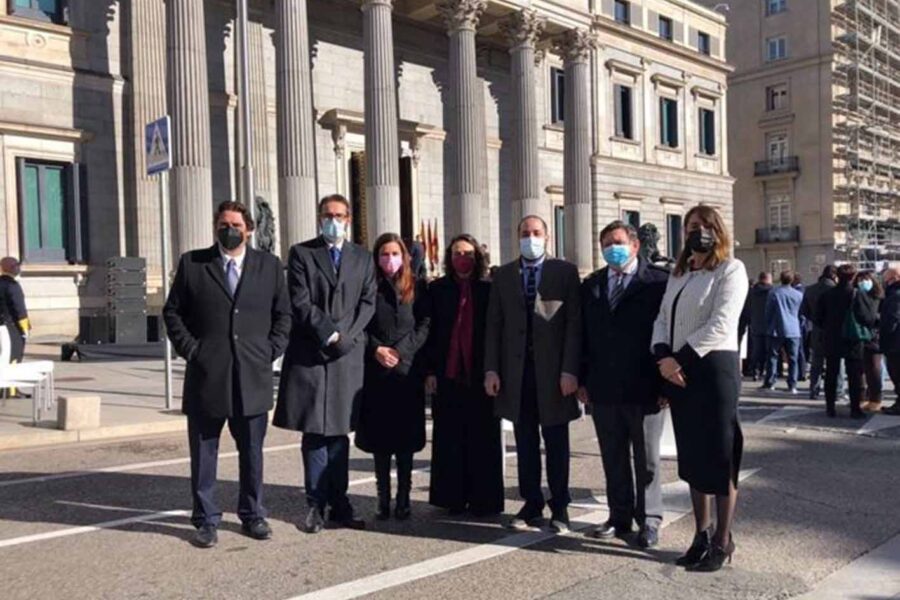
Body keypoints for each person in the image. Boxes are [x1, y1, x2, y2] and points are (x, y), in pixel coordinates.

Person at [163, 201, 292, 549]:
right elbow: (173, 313)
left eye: (235, 224)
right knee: (204, 454)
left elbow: (284, 315)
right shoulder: (193, 263)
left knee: (252, 452)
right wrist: (193, 350)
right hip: (207, 376)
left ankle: (253, 514)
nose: (229, 230)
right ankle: (206, 519)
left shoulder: (269, 266)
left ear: (249, 229)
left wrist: (270, 351)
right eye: (223, 224)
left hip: (252, 376)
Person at [651, 204, 748, 572]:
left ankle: (723, 539)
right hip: (679, 371)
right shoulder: (679, 273)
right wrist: (663, 356)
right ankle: (701, 535)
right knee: (692, 457)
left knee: (720, 455)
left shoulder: (730, 269)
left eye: (705, 225)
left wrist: (679, 360)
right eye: (692, 225)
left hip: (712, 369)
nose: (698, 231)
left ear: (717, 230)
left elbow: (722, 323)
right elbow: (662, 318)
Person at [274, 194, 376, 533]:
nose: (334, 220)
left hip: (347, 354)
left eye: (340, 215)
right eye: (328, 215)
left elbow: (367, 302)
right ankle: (315, 504)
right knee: (315, 432)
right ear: (320, 218)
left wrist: (346, 336)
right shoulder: (302, 253)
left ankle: (340, 503)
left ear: (349, 219)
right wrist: (330, 334)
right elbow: (300, 301)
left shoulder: (362, 257)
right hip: (312, 354)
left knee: (339, 434)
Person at [484, 215, 581, 532]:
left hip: (554, 374)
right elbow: (494, 325)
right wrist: (491, 369)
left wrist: (570, 370)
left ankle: (560, 506)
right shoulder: (503, 275)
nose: (531, 238)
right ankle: (531, 502)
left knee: (556, 442)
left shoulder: (564, 272)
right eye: (525, 233)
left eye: (536, 232)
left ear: (547, 237)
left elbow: (574, 326)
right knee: (525, 442)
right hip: (517, 373)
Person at [578, 221, 669, 548]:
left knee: (647, 460)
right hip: (603, 387)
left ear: (634, 245)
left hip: (645, 388)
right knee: (612, 456)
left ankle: (650, 519)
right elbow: (583, 336)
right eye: (606, 244)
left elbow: (668, 334)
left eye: (617, 242)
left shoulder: (658, 282)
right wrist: (582, 379)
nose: (611, 249)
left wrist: (666, 386)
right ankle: (619, 516)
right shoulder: (592, 284)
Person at [355, 233, 431, 520]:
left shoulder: (417, 286)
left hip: (407, 372)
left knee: (405, 441)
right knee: (380, 441)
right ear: (376, 258)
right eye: (384, 254)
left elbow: (425, 324)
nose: (390, 259)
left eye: (395, 254)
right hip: (376, 372)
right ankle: (382, 498)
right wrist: (376, 349)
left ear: (405, 257)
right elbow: (360, 326)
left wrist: (401, 351)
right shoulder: (368, 286)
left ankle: (404, 497)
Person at [427, 235, 504, 516]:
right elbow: (430, 333)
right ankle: (452, 498)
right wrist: (430, 371)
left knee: (483, 438)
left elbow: (498, 332)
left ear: (478, 257)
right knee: (450, 438)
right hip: (447, 375)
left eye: (469, 253)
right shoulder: (437, 289)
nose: (463, 259)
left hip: (481, 375)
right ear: (450, 257)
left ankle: (484, 500)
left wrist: (496, 370)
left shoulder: (489, 289)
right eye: (458, 253)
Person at [814, 264, 877, 419]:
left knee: (831, 372)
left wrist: (828, 326)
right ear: (853, 277)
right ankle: (855, 408)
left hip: (832, 337)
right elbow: (868, 317)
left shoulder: (827, 295)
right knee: (854, 374)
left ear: (837, 276)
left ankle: (830, 407)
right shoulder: (857, 294)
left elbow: (817, 317)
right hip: (852, 338)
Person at [761, 270, 804, 394]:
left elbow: (768, 311)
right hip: (793, 329)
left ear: (780, 279)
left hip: (776, 328)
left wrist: (768, 325)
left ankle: (770, 382)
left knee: (773, 357)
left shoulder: (774, 292)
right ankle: (792, 384)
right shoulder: (798, 295)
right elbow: (802, 313)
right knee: (793, 359)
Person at [801, 266, 838, 399]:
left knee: (816, 361)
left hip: (817, 329)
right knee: (835, 362)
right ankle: (836, 391)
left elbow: (804, 310)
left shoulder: (810, 289)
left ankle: (814, 389)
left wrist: (814, 319)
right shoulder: (835, 290)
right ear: (834, 276)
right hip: (834, 330)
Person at [0, 257, 30, 399]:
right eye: (16, 265)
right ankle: (10, 390)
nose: (18, 268)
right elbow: (20, 310)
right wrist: (25, 329)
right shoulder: (12, 285)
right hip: (11, 327)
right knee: (14, 357)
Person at [857, 271, 884, 413]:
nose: (863, 282)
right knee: (861, 369)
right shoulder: (856, 295)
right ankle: (862, 397)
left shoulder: (880, 297)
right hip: (859, 336)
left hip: (874, 337)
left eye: (866, 279)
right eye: (860, 280)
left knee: (874, 368)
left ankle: (875, 399)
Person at [878, 268, 900, 415]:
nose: (884, 282)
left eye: (886, 279)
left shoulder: (895, 295)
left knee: (896, 373)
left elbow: (892, 319)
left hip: (895, 342)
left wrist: (883, 331)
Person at [747, 272, 773, 380]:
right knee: (770, 351)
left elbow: (747, 308)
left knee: (756, 350)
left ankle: (755, 371)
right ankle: (767, 373)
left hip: (755, 324)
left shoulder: (751, 292)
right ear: (768, 279)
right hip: (770, 325)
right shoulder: (772, 292)